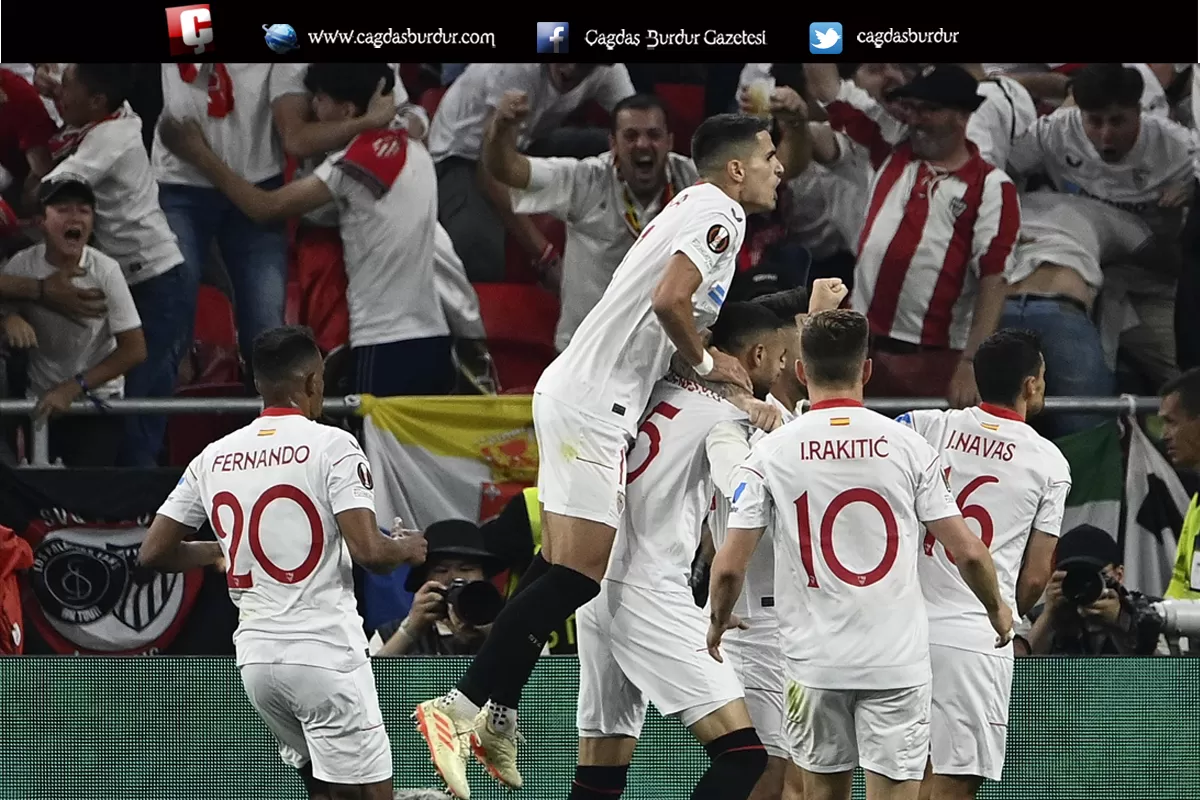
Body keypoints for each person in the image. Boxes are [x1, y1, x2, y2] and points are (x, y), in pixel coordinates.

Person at [413, 112, 786, 799]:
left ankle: (498, 713)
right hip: (595, 403)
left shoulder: (687, 205)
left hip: (581, 392)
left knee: (557, 565)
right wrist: (714, 364)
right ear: (737, 168)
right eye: (769, 156)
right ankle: (456, 709)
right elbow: (669, 301)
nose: (778, 168)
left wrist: (718, 375)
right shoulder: (722, 213)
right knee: (578, 573)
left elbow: (664, 326)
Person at [708, 309, 1013, 800]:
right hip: (896, 665)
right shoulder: (909, 447)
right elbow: (969, 553)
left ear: (801, 371)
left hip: (813, 667)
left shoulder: (771, 452)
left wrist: (718, 620)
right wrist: (996, 608)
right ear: (866, 370)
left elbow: (728, 566)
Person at [137, 325, 429, 800]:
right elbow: (371, 553)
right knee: (371, 795)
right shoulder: (333, 445)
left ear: (258, 384)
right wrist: (409, 549)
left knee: (324, 791)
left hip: (257, 662)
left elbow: (153, 552)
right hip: (324, 655)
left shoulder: (213, 457)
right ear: (313, 381)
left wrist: (219, 548)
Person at [572, 299, 805, 800]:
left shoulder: (653, 390)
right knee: (744, 756)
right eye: (782, 358)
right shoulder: (729, 419)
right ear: (758, 355)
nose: (783, 369)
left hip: (595, 585)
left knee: (602, 767)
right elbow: (740, 486)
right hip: (650, 589)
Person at [157, 63, 454, 397]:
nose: (312, 106)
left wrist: (200, 155)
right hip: (435, 335)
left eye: (321, 99)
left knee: (372, 431)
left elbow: (264, 207)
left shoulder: (352, 165)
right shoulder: (416, 149)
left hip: (383, 339)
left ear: (346, 110)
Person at [893, 329, 1070, 800]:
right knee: (955, 783)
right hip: (976, 637)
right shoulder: (1050, 462)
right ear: (1031, 384)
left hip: (900, 631)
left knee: (900, 779)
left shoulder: (923, 426)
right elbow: (1036, 575)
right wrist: (1007, 612)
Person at [372, 519, 506, 656]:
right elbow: (370, 670)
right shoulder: (389, 633)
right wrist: (409, 631)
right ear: (425, 579)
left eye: (466, 569)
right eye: (441, 570)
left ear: (483, 576)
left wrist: (489, 633)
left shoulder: (507, 625)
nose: (454, 578)